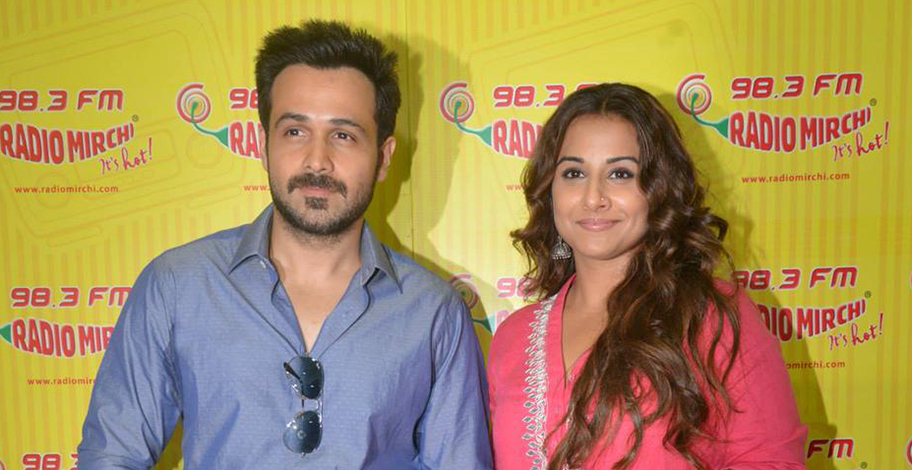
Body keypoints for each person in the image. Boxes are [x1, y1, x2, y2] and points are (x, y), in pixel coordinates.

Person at [78, 20, 492, 470]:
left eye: (344, 135)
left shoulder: (433, 313)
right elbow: (111, 456)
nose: (317, 160)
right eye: (295, 131)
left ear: (383, 157)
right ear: (262, 144)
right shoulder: (178, 286)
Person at [488, 83, 807, 470]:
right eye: (573, 173)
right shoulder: (513, 337)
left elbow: (772, 461)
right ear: (549, 189)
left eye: (620, 174)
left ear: (659, 188)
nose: (593, 197)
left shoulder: (713, 316)